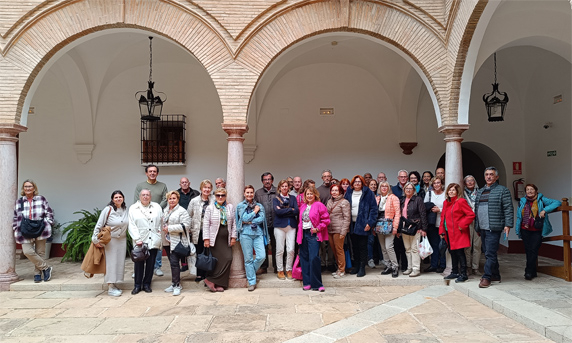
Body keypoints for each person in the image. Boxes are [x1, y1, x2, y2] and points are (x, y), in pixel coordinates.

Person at [475, 167, 514, 288]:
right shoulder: (480, 191)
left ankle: (487, 277)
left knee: (490, 253)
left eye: (491, 174)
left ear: (496, 177)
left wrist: (508, 224)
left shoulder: (503, 190)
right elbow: (477, 210)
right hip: (482, 227)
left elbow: (508, 208)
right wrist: (477, 227)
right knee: (488, 252)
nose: (488, 177)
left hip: (494, 226)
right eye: (486, 174)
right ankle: (496, 275)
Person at [515, 184, 561, 280]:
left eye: (532, 189)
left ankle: (528, 271)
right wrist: (517, 228)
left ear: (536, 191)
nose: (529, 191)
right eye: (527, 190)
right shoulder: (522, 201)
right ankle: (533, 271)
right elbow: (519, 216)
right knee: (528, 250)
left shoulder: (541, 199)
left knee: (534, 249)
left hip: (537, 229)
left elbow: (557, 202)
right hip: (525, 228)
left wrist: (545, 210)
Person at [12, 179, 54, 283]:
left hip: (40, 228)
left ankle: (37, 274)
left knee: (40, 252)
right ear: (23, 189)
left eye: (30, 186)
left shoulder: (41, 199)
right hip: (25, 230)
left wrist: (47, 223)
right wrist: (16, 228)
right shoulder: (19, 201)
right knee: (27, 251)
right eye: (26, 186)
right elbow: (16, 217)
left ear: (34, 188)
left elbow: (49, 212)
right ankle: (45, 267)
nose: (28, 188)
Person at [133, 165, 168, 277]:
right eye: (150, 171)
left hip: (156, 216)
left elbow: (165, 199)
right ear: (146, 173)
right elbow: (136, 200)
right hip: (142, 216)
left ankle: (156, 266)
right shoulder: (140, 186)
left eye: (154, 171)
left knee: (156, 242)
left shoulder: (162, 186)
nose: (152, 173)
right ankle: (139, 267)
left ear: (157, 173)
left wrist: (156, 208)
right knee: (141, 244)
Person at [92, 190, 128, 296]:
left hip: (122, 240)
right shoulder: (108, 209)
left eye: (120, 197)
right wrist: (95, 239)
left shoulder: (125, 209)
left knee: (119, 262)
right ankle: (110, 287)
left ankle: (115, 283)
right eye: (116, 197)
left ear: (123, 198)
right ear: (112, 199)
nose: (118, 199)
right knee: (111, 263)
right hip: (110, 241)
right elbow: (99, 224)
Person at [128, 189, 163, 294]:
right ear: (140, 196)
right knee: (138, 264)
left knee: (150, 263)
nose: (145, 197)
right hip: (140, 240)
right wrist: (137, 239)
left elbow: (162, 221)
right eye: (143, 195)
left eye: (147, 195)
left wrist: (159, 234)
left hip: (153, 239)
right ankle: (137, 285)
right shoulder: (133, 208)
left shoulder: (157, 206)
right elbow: (131, 224)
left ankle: (147, 284)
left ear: (150, 197)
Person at [202, 187, 237, 292]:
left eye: (223, 195)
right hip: (215, 238)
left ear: (225, 196)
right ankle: (213, 281)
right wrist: (206, 239)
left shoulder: (230, 207)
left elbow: (234, 223)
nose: (220, 197)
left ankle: (214, 281)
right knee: (218, 261)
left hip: (226, 238)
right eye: (218, 195)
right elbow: (206, 224)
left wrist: (233, 237)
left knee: (228, 258)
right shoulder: (210, 208)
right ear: (215, 196)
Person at [439, 183, 475, 283]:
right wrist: (441, 230)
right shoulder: (446, 202)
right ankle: (454, 271)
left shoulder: (461, 201)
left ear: (457, 192)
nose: (451, 192)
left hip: (458, 232)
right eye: (449, 190)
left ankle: (463, 274)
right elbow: (443, 218)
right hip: (448, 232)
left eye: (453, 190)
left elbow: (470, 215)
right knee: (452, 252)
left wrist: (461, 224)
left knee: (460, 253)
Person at [344, 175, 378, 277]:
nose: (357, 184)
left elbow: (373, 209)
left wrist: (370, 223)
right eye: (355, 182)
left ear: (362, 183)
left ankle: (362, 267)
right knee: (354, 246)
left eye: (359, 182)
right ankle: (357, 266)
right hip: (352, 224)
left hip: (363, 224)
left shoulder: (368, 193)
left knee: (363, 246)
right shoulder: (349, 193)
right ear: (352, 184)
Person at [298, 186, 330, 291]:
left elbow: (326, 220)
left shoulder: (319, 205)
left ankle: (317, 284)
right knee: (304, 259)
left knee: (314, 258)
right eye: (307, 194)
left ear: (315, 195)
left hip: (313, 235)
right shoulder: (302, 206)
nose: (309, 196)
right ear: (305, 196)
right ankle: (307, 282)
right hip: (303, 234)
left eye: (311, 194)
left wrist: (318, 228)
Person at [236, 185, 268, 291]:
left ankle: (250, 272)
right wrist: (255, 212)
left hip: (258, 233)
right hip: (245, 234)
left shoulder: (259, 205)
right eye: (247, 192)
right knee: (248, 259)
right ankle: (252, 282)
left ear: (253, 193)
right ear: (244, 194)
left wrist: (249, 221)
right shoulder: (241, 206)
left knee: (261, 256)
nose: (249, 194)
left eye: (251, 192)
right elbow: (243, 218)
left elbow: (262, 218)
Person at [162, 190, 192, 296]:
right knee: (172, 263)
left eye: (174, 198)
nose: (172, 200)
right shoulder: (166, 210)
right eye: (170, 198)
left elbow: (186, 225)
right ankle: (174, 283)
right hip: (167, 241)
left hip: (177, 241)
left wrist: (169, 228)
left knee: (175, 263)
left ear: (178, 199)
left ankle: (176, 285)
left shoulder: (182, 211)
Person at [187, 180, 215, 282]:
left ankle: (209, 273)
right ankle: (199, 274)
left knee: (210, 251)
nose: (207, 189)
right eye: (205, 187)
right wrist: (189, 228)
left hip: (211, 230)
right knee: (199, 252)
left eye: (209, 187)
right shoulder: (194, 201)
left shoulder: (214, 199)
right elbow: (188, 215)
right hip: (198, 230)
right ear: (201, 188)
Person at [400, 182, 428, 277]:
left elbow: (423, 214)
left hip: (415, 228)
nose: (408, 190)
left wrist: (423, 228)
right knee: (407, 249)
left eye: (410, 188)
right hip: (405, 228)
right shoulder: (402, 200)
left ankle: (416, 269)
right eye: (406, 188)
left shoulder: (418, 199)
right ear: (404, 190)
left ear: (414, 190)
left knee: (414, 249)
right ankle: (409, 268)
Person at [272, 180, 299, 280]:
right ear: (279, 188)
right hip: (279, 227)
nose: (284, 188)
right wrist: (289, 209)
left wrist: (283, 209)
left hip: (291, 226)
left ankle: (289, 269)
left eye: (286, 186)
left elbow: (296, 211)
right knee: (280, 250)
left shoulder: (293, 198)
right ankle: (280, 270)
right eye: (282, 186)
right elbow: (277, 212)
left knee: (291, 249)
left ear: (289, 188)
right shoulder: (276, 199)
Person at [376, 181, 400, 278]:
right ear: (380, 188)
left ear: (389, 188)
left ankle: (395, 267)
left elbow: (398, 213)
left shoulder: (394, 198)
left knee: (389, 247)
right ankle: (388, 266)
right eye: (382, 186)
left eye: (386, 186)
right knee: (383, 248)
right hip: (379, 225)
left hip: (390, 225)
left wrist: (395, 227)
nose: (384, 188)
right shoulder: (377, 198)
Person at [326, 184, 350, 278]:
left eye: (336, 190)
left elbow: (347, 218)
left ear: (340, 191)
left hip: (339, 229)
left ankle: (342, 270)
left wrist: (343, 232)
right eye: (333, 190)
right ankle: (338, 268)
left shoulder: (344, 202)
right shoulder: (329, 201)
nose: (334, 192)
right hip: (330, 229)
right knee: (334, 250)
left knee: (339, 250)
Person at [255, 172, 277, 274]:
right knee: (263, 245)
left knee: (276, 245)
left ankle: (277, 267)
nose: (267, 181)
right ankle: (264, 267)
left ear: (272, 180)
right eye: (265, 180)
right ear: (262, 181)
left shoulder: (277, 191)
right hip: (263, 224)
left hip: (276, 222)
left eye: (269, 179)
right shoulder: (258, 193)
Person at [424, 177, 447, 274]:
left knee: (443, 245)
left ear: (441, 184)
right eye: (434, 183)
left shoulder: (446, 194)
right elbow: (424, 206)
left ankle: (443, 265)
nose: (437, 185)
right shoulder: (429, 194)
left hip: (443, 223)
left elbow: (450, 208)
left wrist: (440, 210)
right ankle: (434, 265)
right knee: (434, 244)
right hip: (432, 223)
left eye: (438, 183)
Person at [176, 177, 199, 272]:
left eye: (186, 182)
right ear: (180, 184)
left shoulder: (196, 193)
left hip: (193, 220)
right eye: (182, 182)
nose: (184, 184)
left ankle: (194, 263)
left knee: (193, 242)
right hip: (180, 221)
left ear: (189, 183)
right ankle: (184, 264)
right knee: (182, 242)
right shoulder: (176, 194)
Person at [463, 175, 481, 275]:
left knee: (477, 245)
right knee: (467, 245)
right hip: (467, 221)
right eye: (468, 181)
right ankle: (468, 266)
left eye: (472, 181)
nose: (470, 182)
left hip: (478, 220)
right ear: (465, 183)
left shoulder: (480, 192)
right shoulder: (462, 193)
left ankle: (476, 267)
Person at [367, 179, 381, 268]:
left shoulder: (380, 196)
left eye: (375, 184)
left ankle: (381, 259)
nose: (373, 186)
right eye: (371, 184)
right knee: (370, 241)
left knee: (380, 242)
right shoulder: (366, 196)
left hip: (379, 222)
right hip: (370, 222)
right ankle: (370, 259)